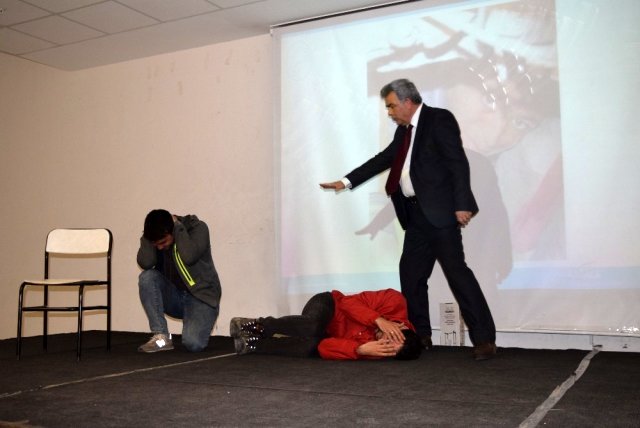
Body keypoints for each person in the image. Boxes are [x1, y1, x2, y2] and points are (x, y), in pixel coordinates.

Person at [320, 78, 496, 361]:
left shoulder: (439, 119)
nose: (389, 112)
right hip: (415, 216)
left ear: (407, 101)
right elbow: (383, 159)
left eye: (391, 106)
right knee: (411, 276)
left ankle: (484, 339)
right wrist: (346, 181)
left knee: (457, 274)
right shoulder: (404, 132)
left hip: (440, 214)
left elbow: (457, 161)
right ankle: (420, 335)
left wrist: (462, 204)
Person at [230, 288, 422, 360]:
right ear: (401, 328)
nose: (383, 341)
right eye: (392, 337)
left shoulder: (378, 349)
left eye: (389, 347)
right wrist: (378, 319)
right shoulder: (395, 301)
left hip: (327, 333)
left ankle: (255, 344)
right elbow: (346, 302)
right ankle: (257, 326)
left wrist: (359, 350)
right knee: (312, 326)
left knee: (311, 347)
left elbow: (324, 347)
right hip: (329, 305)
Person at [136, 209, 221, 353]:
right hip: (175, 297)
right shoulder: (158, 239)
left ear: (172, 229)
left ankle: (200, 318)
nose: (160, 247)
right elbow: (146, 263)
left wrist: (178, 228)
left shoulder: (198, 228)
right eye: (156, 244)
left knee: (193, 344)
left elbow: (189, 256)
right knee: (147, 277)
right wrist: (147, 237)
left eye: (163, 242)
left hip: (201, 298)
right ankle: (161, 337)